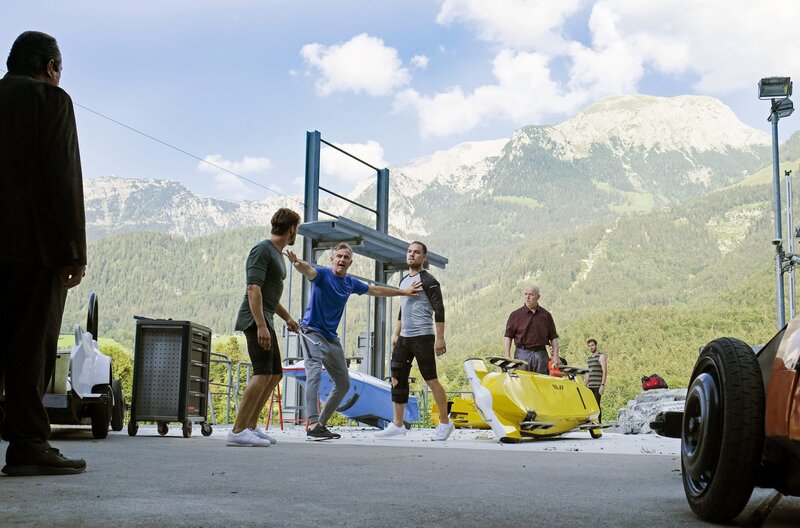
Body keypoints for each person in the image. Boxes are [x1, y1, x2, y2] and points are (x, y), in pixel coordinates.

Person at [0, 31, 87, 476]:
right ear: (51, 67)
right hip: (33, 249)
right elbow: (63, 178)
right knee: (30, 346)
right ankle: (28, 443)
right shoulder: (49, 101)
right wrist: (74, 250)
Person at [285, 242, 421, 440]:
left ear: (350, 262)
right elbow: (307, 269)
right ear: (332, 259)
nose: (341, 260)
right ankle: (313, 422)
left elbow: (375, 291)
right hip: (312, 331)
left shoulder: (350, 283)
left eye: (345, 257)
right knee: (313, 372)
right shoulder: (322, 275)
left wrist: (403, 292)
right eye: (338, 256)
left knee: (343, 383)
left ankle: (320, 425)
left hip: (331, 338)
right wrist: (296, 262)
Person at [227, 208, 302, 447]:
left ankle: (249, 425)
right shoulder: (262, 249)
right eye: (296, 229)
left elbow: (269, 295)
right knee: (262, 373)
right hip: (255, 320)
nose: (295, 233)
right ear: (292, 229)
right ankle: (238, 431)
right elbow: (253, 289)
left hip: (266, 319)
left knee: (275, 374)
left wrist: (287, 317)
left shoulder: (277, 254)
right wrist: (260, 325)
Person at [375, 241, 453, 441]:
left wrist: (440, 338)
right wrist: (396, 333)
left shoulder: (429, 280)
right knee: (396, 379)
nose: (412, 255)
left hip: (423, 337)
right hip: (404, 338)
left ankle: (445, 423)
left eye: (417, 252)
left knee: (431, 379)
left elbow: (439, 309)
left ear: (424, 258)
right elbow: (403, 306)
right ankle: (398, 424)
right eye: (409, 252)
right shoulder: (403, 281)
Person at [503, 285, 559, 374]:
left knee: (541, 382)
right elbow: (508, 336)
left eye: (531, 295)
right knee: (522, 381)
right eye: (526, 294)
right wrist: (507, 355)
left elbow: (553, 337)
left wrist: (556, 356)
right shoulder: (515, 315)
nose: (527, 297)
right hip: (522, 353)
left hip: (541, 353)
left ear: (538, 297)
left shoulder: (546, 315)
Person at [583, 338, 608, 422]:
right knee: (590, 406)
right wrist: (584, 386)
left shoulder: (601, 356)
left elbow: (605, 371)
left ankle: (599, 424)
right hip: (590, 386)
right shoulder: (589, 358)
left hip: (598, 385)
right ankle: (593, 423)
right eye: (589, 346)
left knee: (596, 405)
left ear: (596, 345)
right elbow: (588, 374)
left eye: (592, 345)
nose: (591, 347)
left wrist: (602, 385)